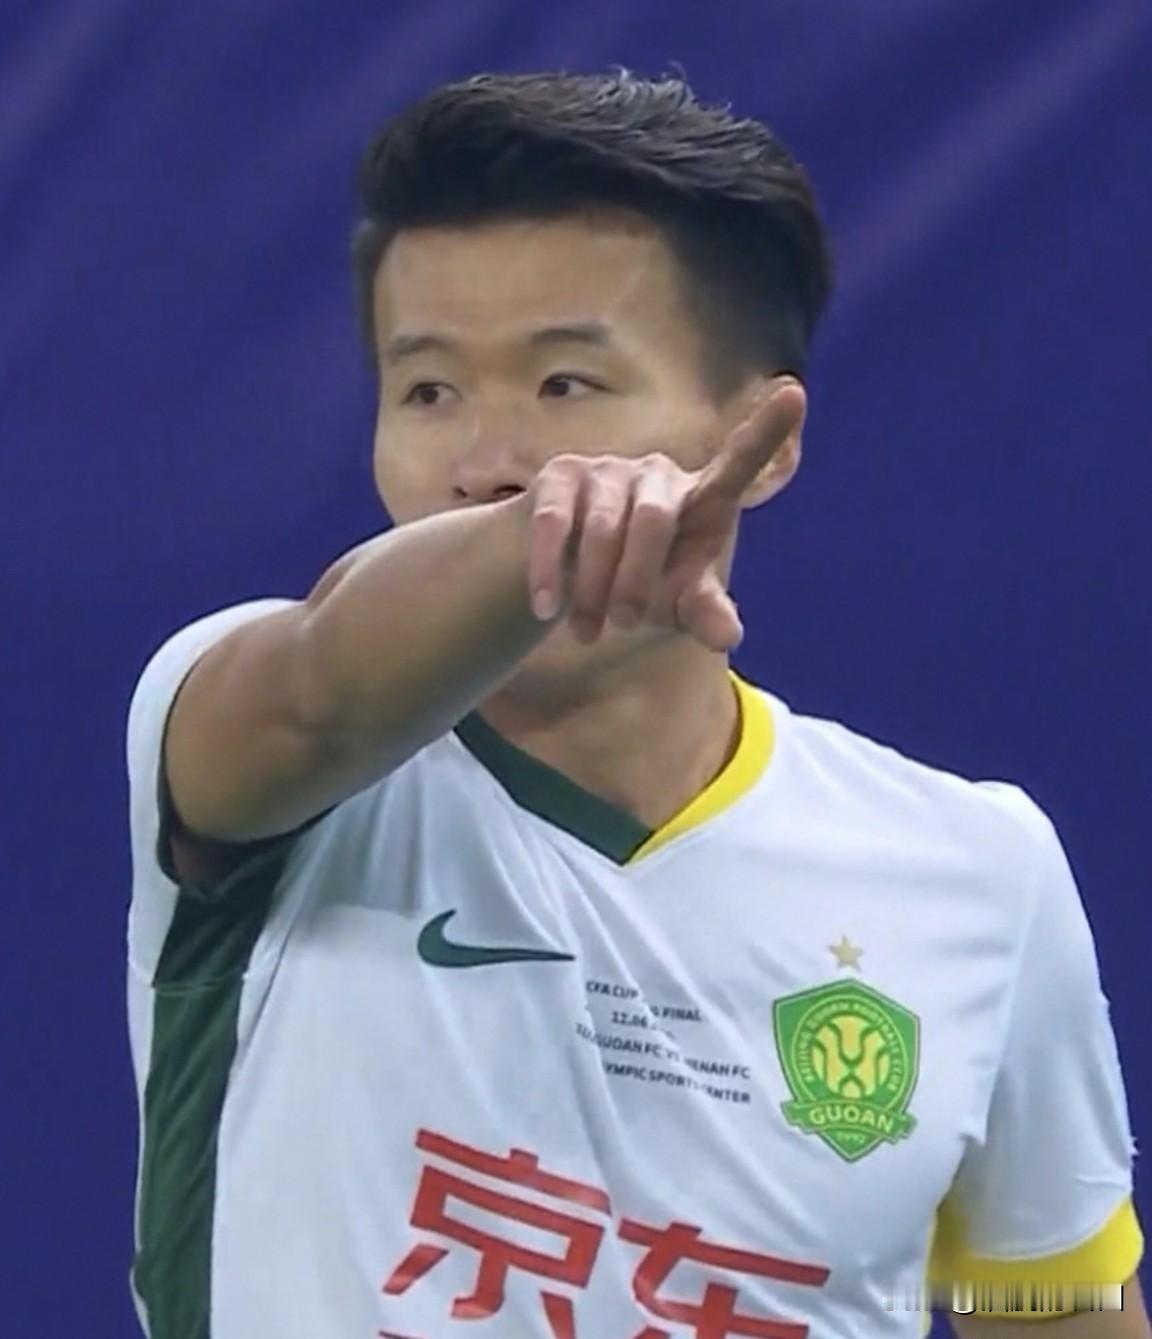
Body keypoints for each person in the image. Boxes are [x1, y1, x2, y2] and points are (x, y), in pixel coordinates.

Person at [124, 70, 1146, 1339]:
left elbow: (1052, 1310)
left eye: (565, 386)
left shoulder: (983, 872)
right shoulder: (246, 737)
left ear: (764, 441)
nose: (486, 459)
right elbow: (328, 680)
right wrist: (543, 536)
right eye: (428, 391)